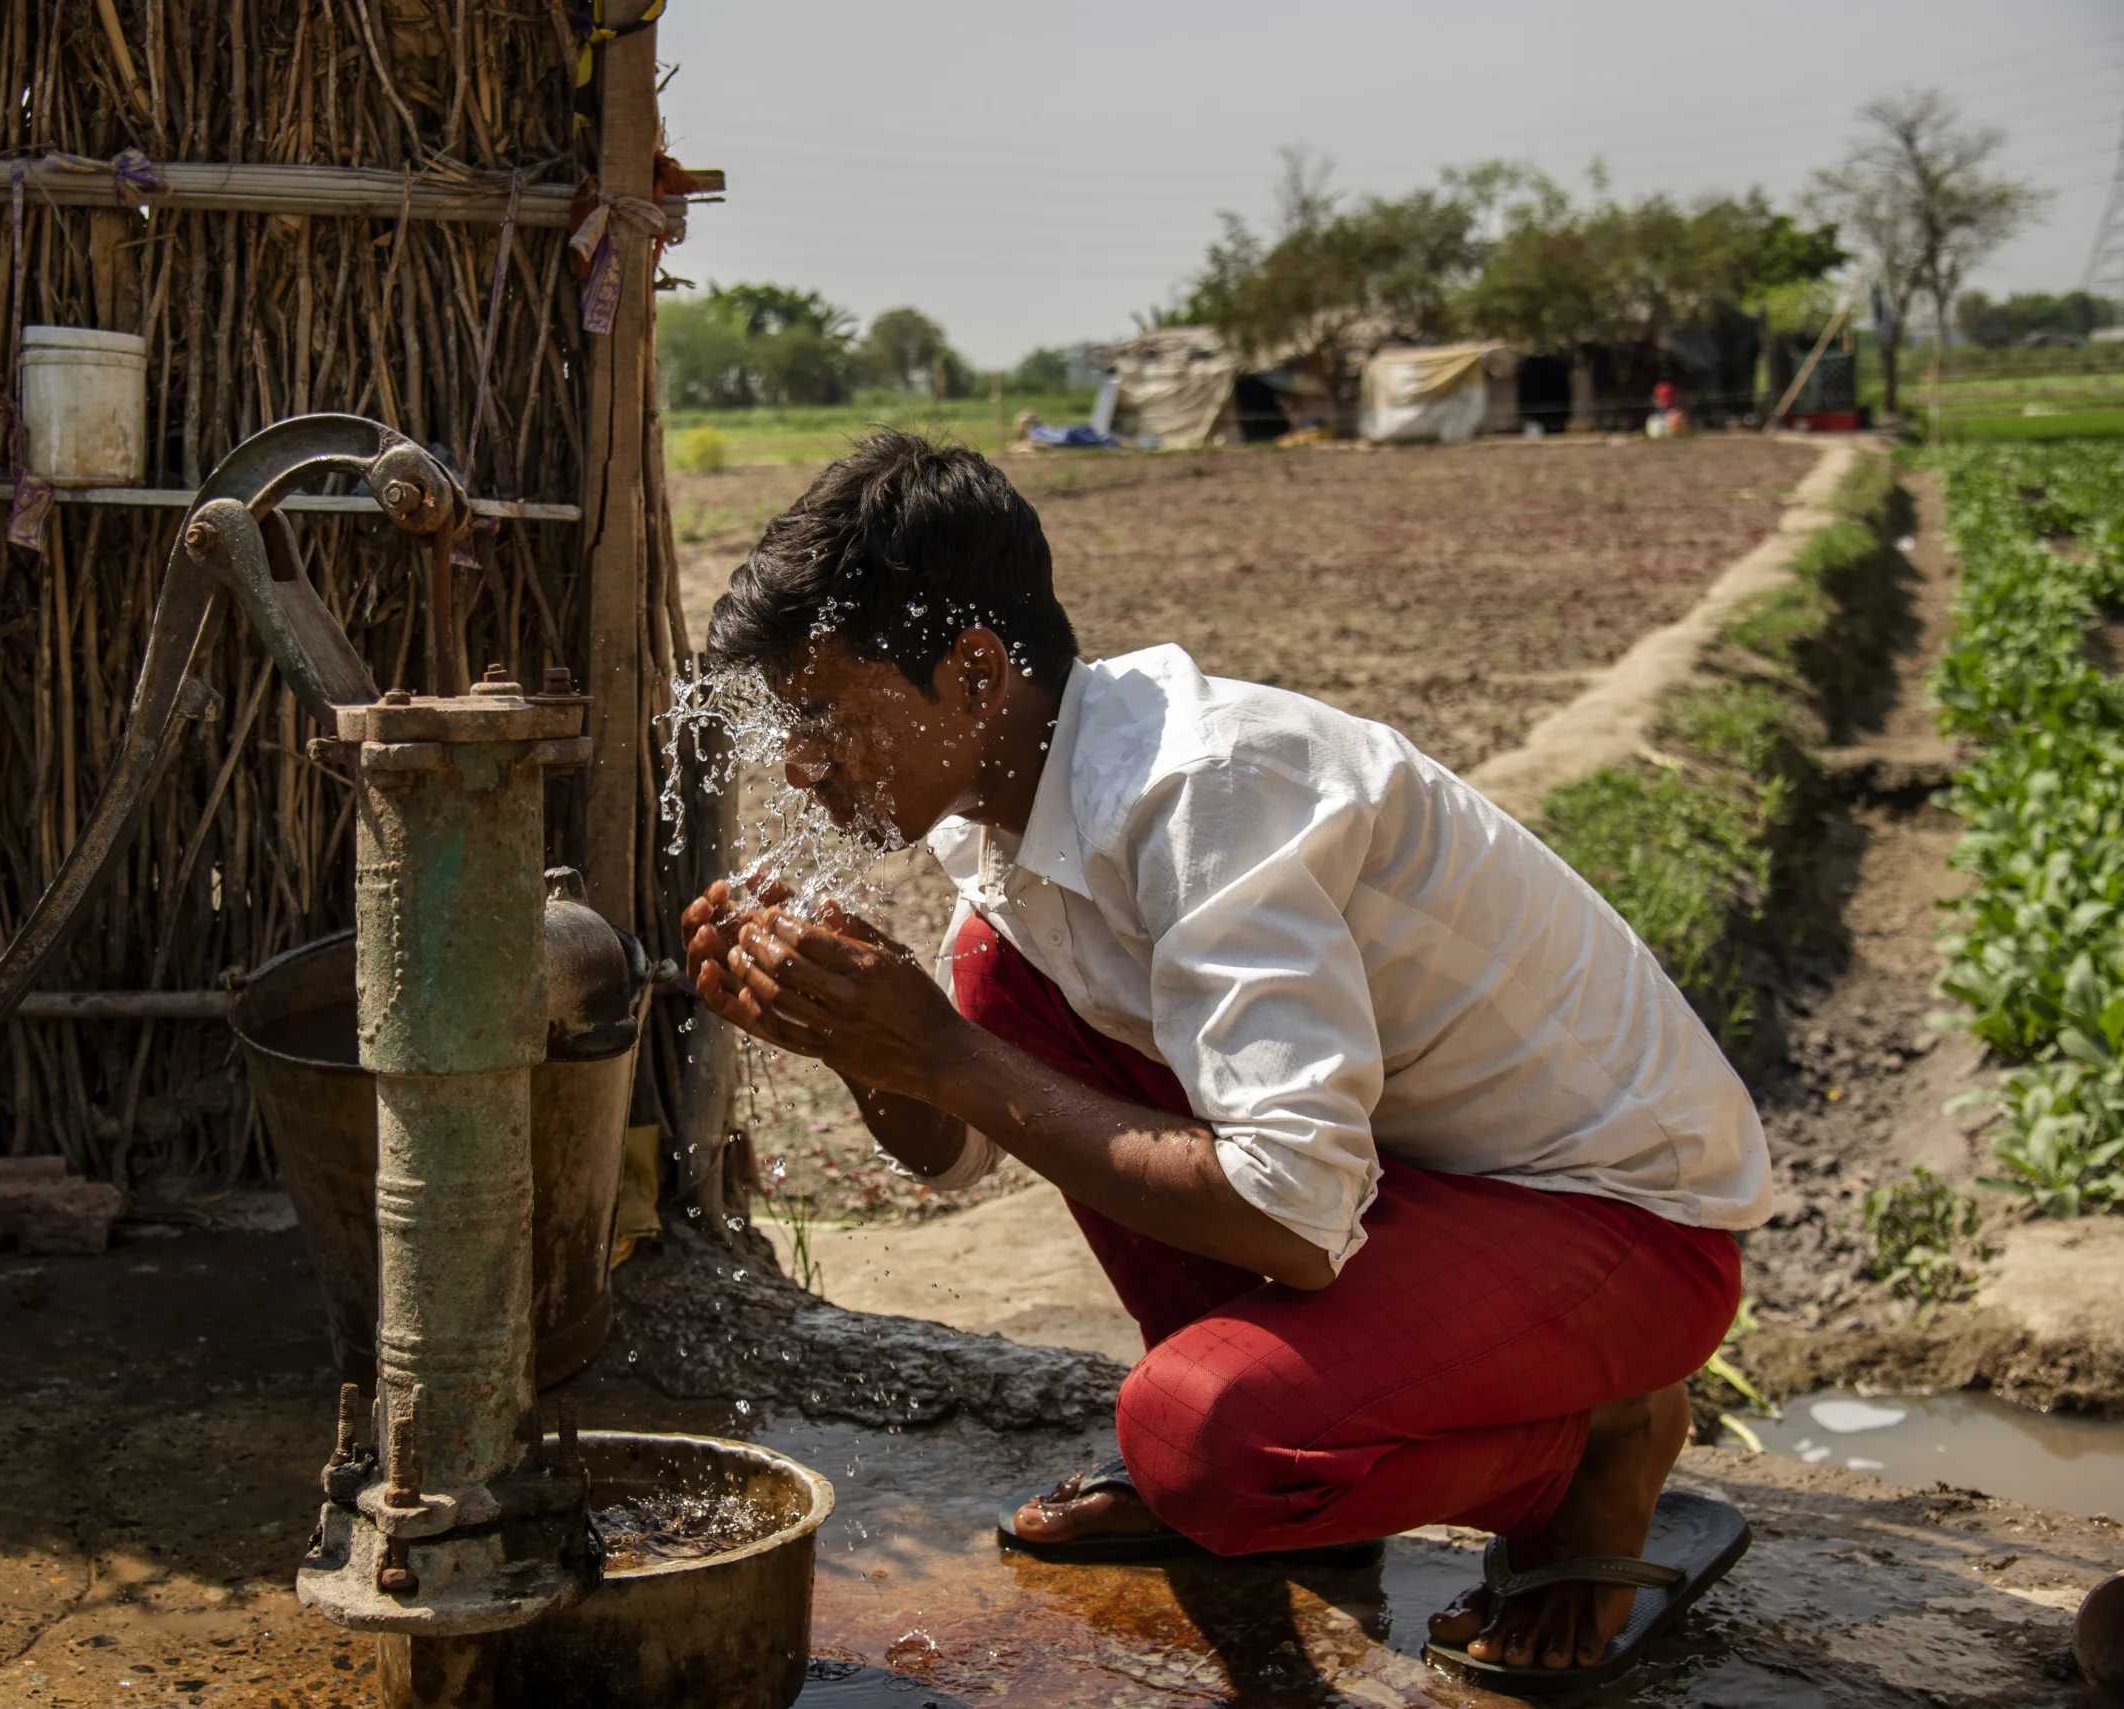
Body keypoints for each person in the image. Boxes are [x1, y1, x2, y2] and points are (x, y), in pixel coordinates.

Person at [680, 431, 1769, 1686]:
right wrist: (856, 1037)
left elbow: (1293, 1215)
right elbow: (960, 1147)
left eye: (825, 716)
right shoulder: (1006, 813)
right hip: (1412, 1194)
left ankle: (1593, 1452)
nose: (803, 766)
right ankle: (1309, 1458)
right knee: (987, 977)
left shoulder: (1205, 789)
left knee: (1200, 1440)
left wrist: (941, 1051)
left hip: (1619, 1226)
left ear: (972, 674)